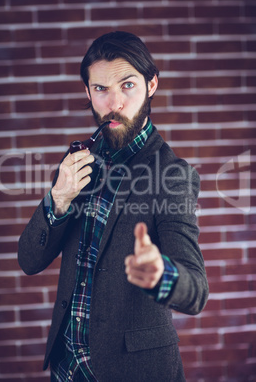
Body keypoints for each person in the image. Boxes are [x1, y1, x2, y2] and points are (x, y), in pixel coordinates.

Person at [18, 31, 209, 382]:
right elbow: (29, 261)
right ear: (88, 92)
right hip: (66, 366)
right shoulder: (78, 161)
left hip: (131, 371)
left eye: (128, 85)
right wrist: (58, 200)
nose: (115, 103)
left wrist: (162, 276)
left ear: (151, 85)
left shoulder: (172, 175)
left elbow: (196, 289)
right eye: (101, 89)